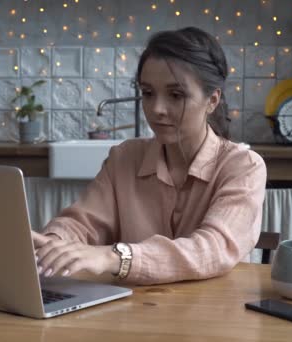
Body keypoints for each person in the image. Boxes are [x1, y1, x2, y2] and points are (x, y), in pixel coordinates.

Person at [32, 27, 267, 285]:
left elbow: (212, 248)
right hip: (131, 312)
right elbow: (82, 224)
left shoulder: (243, 167)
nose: (157, 109)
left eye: (176, 95)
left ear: (212, 100)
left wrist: (115, 257)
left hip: (213, 314)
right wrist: (54, 244)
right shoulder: (124, 157)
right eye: (147, 93)